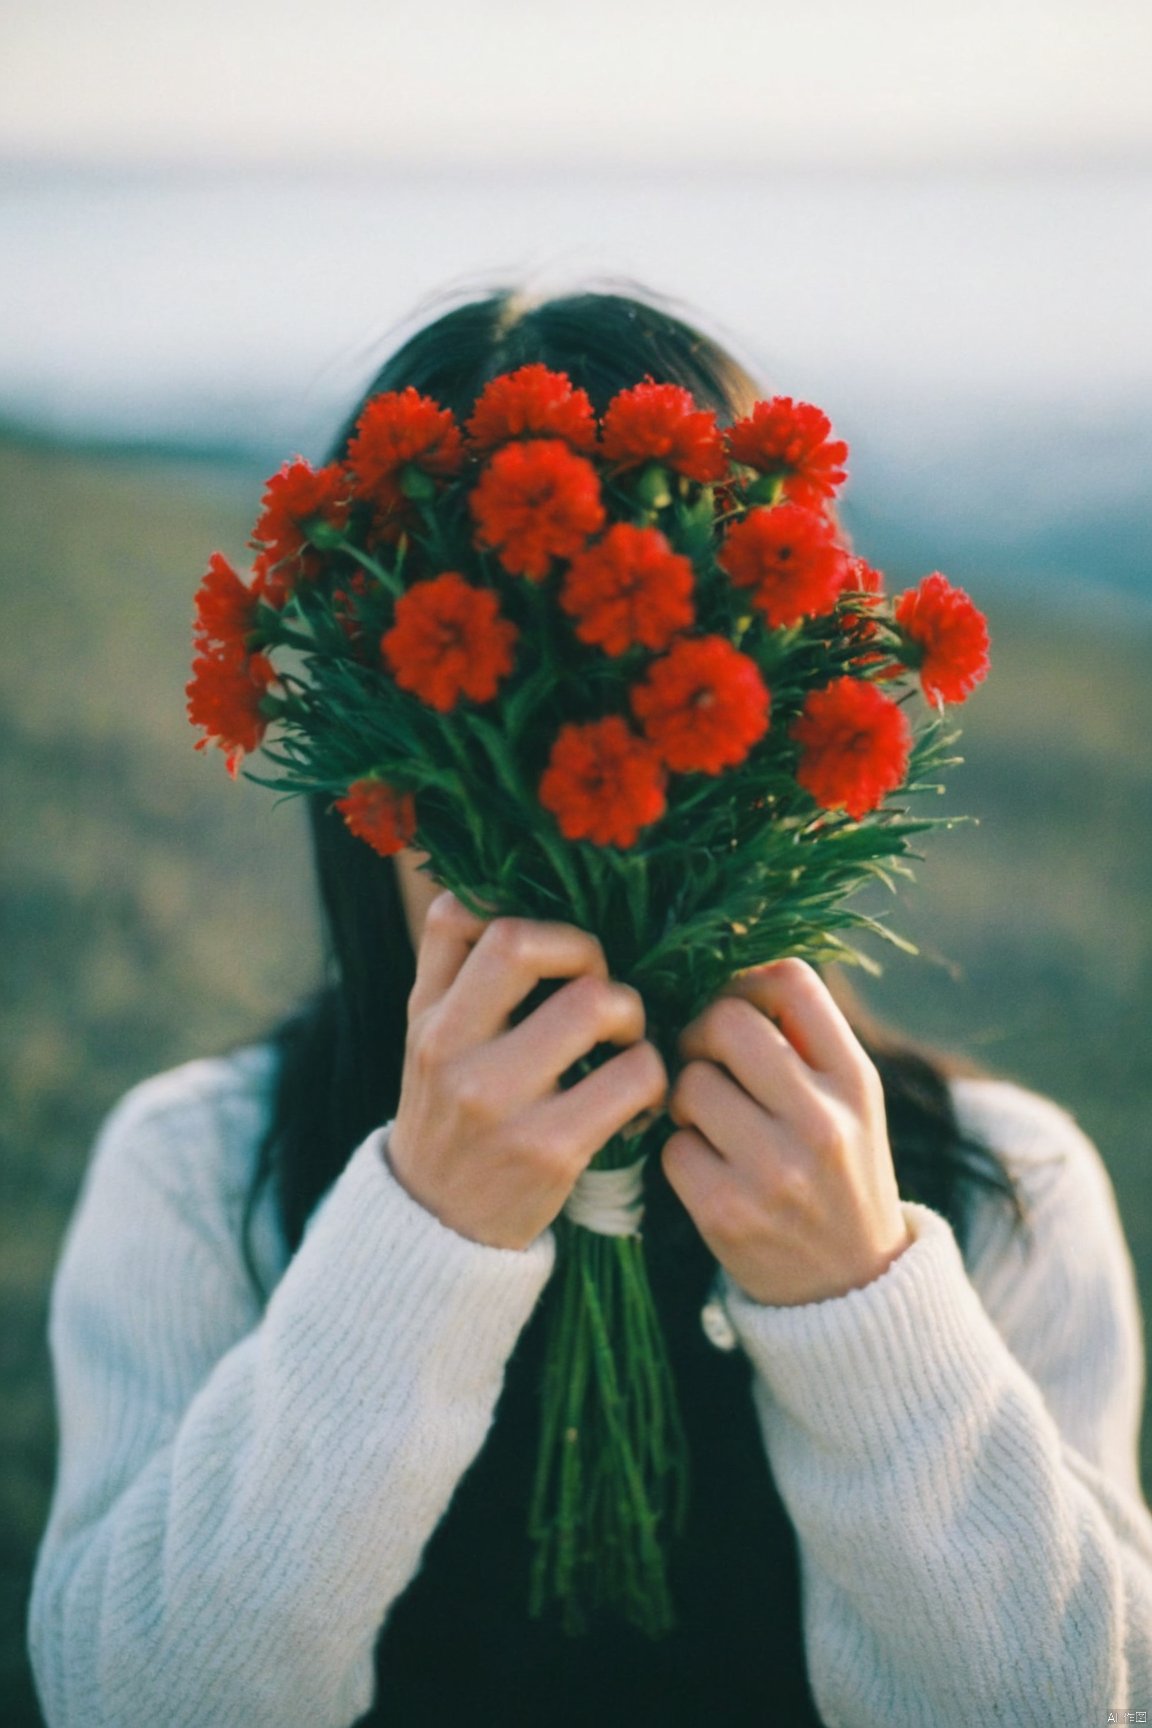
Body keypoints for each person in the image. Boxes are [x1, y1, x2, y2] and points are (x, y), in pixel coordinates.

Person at [28, 288, 1152, 1727]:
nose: (570, 869)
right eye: (469, 782)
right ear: (364, 785)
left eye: (644, 743)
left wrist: (862, 1307)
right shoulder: (194, 1173)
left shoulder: (1008, 1189)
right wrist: (419, 1241)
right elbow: (123, 1699)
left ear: (776, 741)